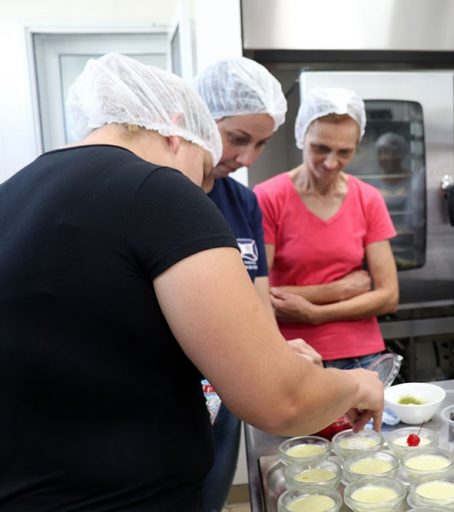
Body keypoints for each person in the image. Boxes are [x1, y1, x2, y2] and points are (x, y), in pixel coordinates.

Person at [0, 53, 383, 511]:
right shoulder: (159, 191)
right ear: (174, 130)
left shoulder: (14, 192)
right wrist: (358, 384)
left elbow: (103, 346)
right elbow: (281, 401)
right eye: (205, 172)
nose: (205, 191)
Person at [193, 57, 321, 512]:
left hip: (230, 393)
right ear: (198, 116)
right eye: (238, 139)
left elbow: (258, 301)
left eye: (262, 144)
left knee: (211, 496)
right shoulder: (167, 195)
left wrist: (279, 353)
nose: (247, 159)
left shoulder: (243, 201)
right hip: (175, 398)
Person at [254, 87, 399, 369]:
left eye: (344, 152)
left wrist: (314, 314)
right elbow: (259, 295)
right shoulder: (268, 198)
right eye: (320, 148)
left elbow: (389, 296)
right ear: (302, 137)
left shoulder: (368, 199)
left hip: (365, 356)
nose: (331, 163)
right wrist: (340, 289)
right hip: (294, 354)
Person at [366, 132, 426, 270]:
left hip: (410, 248)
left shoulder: (415, 182)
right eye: (381, 153)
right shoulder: (370, 183)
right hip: (376, 247)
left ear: (401, 155)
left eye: (390, 153)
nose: (385, 157)